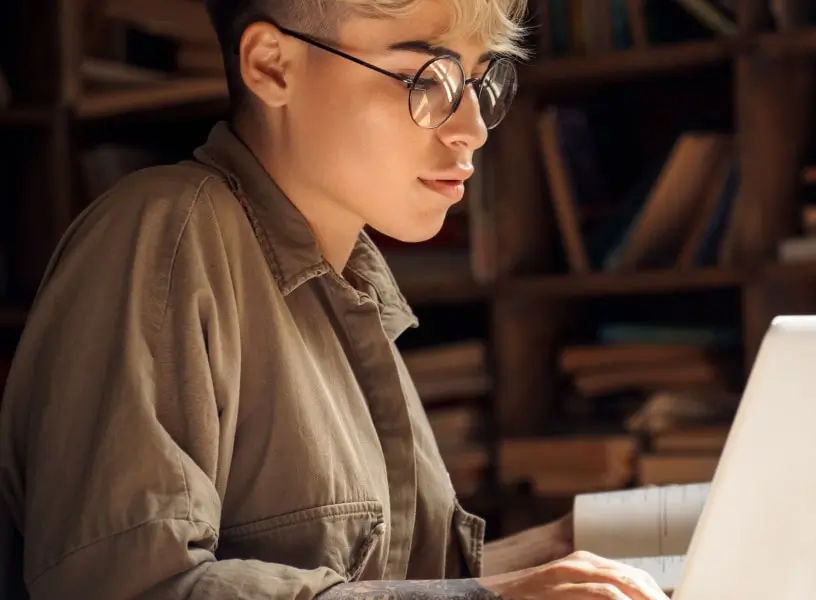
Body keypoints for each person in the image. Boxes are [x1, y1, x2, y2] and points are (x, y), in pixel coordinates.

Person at [0, 0, 669, 598]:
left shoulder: (344, 277)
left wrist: (560, 547)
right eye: (425, 78)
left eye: (481, 79)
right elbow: (125, 588)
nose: (471, 128)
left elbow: (383, 586)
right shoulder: (165, 233)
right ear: (272, 66)